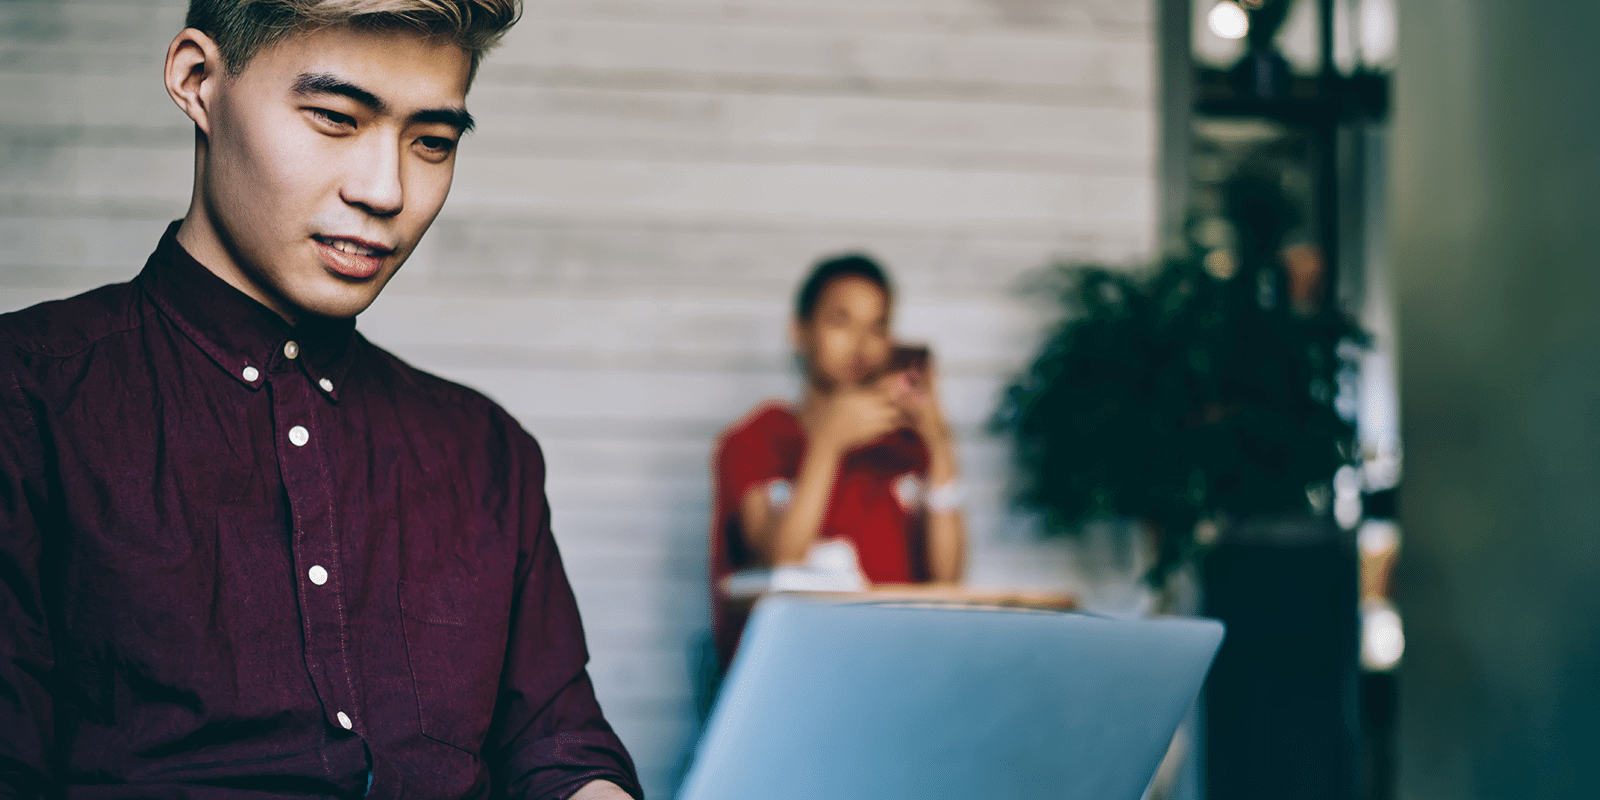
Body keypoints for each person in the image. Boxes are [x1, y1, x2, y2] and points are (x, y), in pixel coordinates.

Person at [0, 2, 639, 797]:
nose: (387, 190)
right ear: (197, 79)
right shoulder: (28, 395)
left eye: (433, 143)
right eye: (336, 119)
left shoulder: (486, 451)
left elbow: (559, 748)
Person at [709, 254, 968, 666]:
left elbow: (947, 579)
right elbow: (778, 561)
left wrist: (938, 441)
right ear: (800, 332)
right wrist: (828, 444)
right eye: (840, 322)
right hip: (787, 676)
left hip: (893, 667)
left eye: (877, 326)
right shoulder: (754, 440)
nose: (860, 344)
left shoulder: (902, 450)